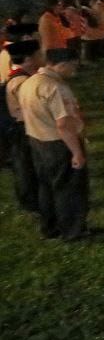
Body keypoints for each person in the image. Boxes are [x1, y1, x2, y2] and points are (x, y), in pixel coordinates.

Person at [18, 48, 89, 241]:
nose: (74, 70)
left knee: (46, 187)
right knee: (68, 188)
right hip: (58, 144)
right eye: (73, 66)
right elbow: (63, 124)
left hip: (37, 140)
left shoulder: (29, 82)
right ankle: (72, 230)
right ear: (63, 64)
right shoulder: (55, 87)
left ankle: (49, 227)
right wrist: (76, 152)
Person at [2, 39, 41, 213]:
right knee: (26, 166)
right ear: (28, 59)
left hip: (21, 127)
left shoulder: (19, 77)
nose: (41, 57)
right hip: (22, 127)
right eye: (37, 55)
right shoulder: (21, 82)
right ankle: (30, 201)